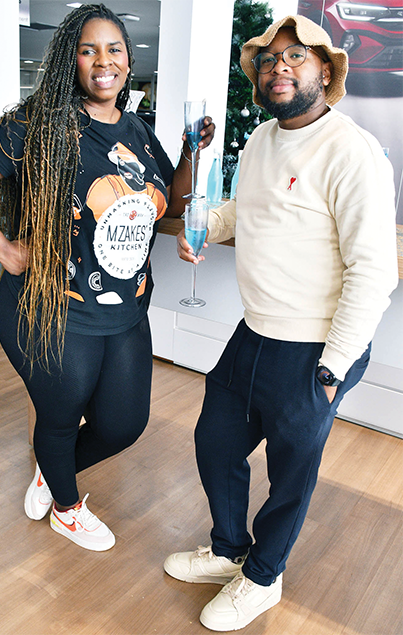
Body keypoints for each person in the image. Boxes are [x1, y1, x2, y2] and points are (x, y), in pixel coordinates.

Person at [0, 3, 214, 552]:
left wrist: (189, 152)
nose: (103, 61)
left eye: (114, 49)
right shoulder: (39, 125)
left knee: (124, 424)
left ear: (128, 61)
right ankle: (66, 507)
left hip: (125, 309)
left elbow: (172, 204)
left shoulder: (138, 130)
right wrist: (3, 249)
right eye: (88, 50)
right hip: (52, 308)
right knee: (59, 419)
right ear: (71, 60)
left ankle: (52, 469)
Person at [164, 14, 398, 632]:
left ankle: (263, 577)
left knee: (291, 473)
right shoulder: (261, 140)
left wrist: (332, 368)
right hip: (255, 328)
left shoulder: (352, 151)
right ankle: (228, 549)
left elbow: (374, 270)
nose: (279, 68)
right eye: (268, 60)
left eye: (296, 57)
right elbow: (247, 209)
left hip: (315, 344)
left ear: (326, 70)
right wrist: (206, 228)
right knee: (216, 443)